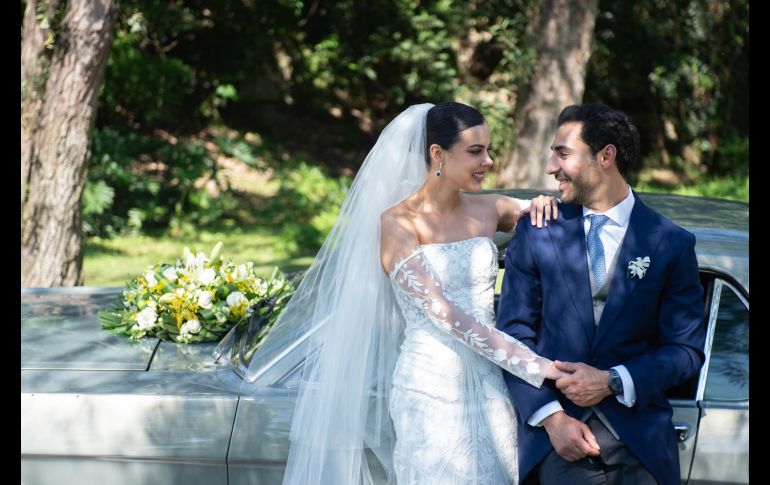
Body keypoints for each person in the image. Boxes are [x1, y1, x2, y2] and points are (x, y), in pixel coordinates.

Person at [245, 102, 570, 485]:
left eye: (488, 149)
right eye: (475, 151)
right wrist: (534, 365)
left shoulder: (491, 209)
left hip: (491, 385)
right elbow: (445, 314)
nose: (489, 160)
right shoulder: (397, 223)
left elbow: (555, 220)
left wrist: (544, 203)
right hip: (429, 389)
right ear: (437, 154)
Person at [496, 103, 706, 485]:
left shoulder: (670, 243)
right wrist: (551, 418)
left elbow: (686, 351)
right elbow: (512, 337)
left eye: (563, 153)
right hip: (558, 443)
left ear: (606, 156)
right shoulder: (539, 231)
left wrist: (613, 379)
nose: (550, 167)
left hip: (640, 450)